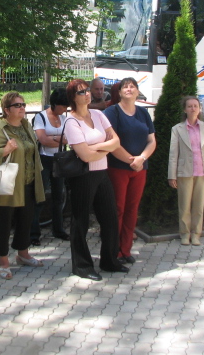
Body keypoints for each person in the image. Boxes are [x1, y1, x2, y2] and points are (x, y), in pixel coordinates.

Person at [64, 79, 127, 281]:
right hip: (83, 176)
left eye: (87, 90)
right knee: (80, 221)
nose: (87, 94)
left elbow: (116, 141)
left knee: (110, 218)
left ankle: (109, 260)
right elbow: (85, 156)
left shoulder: (99, 115)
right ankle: (82, 266)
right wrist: (105, 148)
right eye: (81, 92)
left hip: (102, 173)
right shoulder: (71, 122)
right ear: (73, 98)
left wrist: (96, 148)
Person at [0, 92, 45, 280]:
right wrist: (5, 150)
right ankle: (3, 262)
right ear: (6, 110)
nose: (22, 108)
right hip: (7, 185)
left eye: (23, 104)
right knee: (4, 223)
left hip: (28, 182)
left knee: (26, 220)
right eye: (17, 105)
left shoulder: (26, 126)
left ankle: (23, 254)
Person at [103, 77, 155, 263]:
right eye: (125, 86)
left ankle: (126, 250)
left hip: (140, 169)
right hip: (118, 168)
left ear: (138, 91)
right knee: (118, 208)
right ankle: (114, 250)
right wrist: (131, 160)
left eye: (132, 86)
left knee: (132, 209)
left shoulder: (143, 113)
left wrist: (141, 159)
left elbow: (152, 141)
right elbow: (112, 142)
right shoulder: (112, 112)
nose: (129, 89)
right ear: (119, 92)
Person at [168, 96, 204, 246]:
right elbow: (173, 154)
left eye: (195, 106)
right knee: (184, 206)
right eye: (189, 106)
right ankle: (184, 234)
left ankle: (196, 234)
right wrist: (172, 175)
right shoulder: (177, 129)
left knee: (198, 206)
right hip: (184, 172)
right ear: (185, 109)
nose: (193, 109)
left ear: (199, 109)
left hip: (202, 173)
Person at [31, 88, 70, 244]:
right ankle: (33, 233)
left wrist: (52, 137)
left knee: (58, 197)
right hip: (44, 160)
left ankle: (58, 229)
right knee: (39, 197)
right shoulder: (40, 117)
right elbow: (43, 140)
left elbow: (69, 138)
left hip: (59, 159)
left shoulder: (64, 119)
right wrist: (59, 138)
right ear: (55, 104)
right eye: (63, 106)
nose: (65, 109)